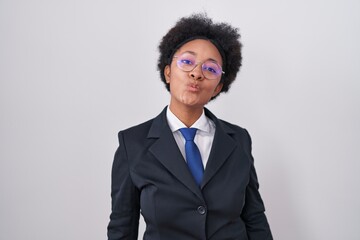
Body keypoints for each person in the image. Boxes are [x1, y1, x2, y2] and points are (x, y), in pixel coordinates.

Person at [107, 13, 273, 240]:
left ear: (218, 87)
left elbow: (254, 218)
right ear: (168, 72)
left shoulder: (239, 139)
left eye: (210, 69)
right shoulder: (132, 143)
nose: (196, 73)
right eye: (187, 62)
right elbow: (121, 229)